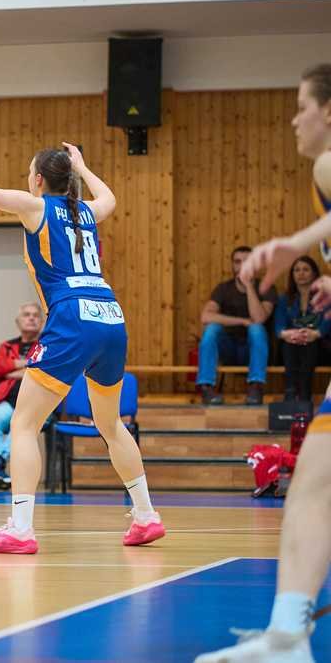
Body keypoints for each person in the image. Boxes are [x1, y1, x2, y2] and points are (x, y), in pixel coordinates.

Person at [0, 121, 164, 555]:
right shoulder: (85, 211)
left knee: (23, 424)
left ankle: (21, 528)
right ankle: (146, 515)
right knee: (110, 424)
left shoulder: (36, 207)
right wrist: (83, 167)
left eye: (28, 172)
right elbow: (111, 198)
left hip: (72, 317)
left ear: (38, 179)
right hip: (110, 315)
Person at [195, 63, 331, 663]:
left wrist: (294, 243)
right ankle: (286, 637)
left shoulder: (327, 165)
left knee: (315, 487)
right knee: (313, 483)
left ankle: (286, 637)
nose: (294, 119)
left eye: (302, 106)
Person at [196, 246, 277, 406]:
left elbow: (258, 318)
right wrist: (242, 321)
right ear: (233, 265)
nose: (241, 266)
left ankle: (255, 387)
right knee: (211, 329)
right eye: (237, 262)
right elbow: (206, 316)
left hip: (253, 350)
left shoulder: (266, 288)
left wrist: (249, 286)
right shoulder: (223, 289)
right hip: (229, 349)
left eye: (246, 262)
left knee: (256, 328)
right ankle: (206, 387)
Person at [0, 302, 43, 490]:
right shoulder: (7, 346)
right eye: (26, 315)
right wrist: (24, 364)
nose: (31, 318)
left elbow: (44, 370)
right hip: (8, 401)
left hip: (38, 404)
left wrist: (10, 370)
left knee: (20, 425)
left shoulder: (47, 344)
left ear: (41, 322)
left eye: (35, 315)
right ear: (18, 321)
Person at [274, 256, 329, 402]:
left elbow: (327, 323)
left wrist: (316, 333)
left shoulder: (325, 297)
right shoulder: (284, 299)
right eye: (297, 270)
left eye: (306, 270)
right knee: (290, 343)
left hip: (320, 347)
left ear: (314, 273)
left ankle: (304, 393)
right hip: (291, 347)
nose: (301, 273)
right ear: (292, 274)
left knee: (310, 343)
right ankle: (290, 392)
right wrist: (287, 334)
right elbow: (279, 327)